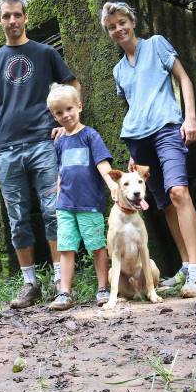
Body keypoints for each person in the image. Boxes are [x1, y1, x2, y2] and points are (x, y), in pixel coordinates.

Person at [0, 0, 82, 308]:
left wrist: (71, 124)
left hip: (43, 144)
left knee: (53, 212)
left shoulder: (45, 53)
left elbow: (72, 84)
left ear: (26, 18)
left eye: (17, 15)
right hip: (7, 150)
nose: (12, 21)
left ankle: (58, 281)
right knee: (18, 219)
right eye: (6, 16)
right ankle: (29, 283)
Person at [100, 1, 196, 298]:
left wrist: (190, 117)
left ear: (132, 22)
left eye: (122, 22)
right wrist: (134, 155)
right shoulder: (119, 70)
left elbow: (183, 79)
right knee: (163, 203)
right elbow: (134, 105)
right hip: (138, 140)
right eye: (111, 27)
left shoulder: (156, 44)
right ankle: (185, 265)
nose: (118, 29)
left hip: (168, 128)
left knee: (178, 192)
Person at [45, 83, 118, 311]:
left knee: (97, 246)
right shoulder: (60, 141)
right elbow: (60, 171)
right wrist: (57, 198)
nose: (65, 115)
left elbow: (102, 164)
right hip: (65, 205)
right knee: (66, 247)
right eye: (59, 112)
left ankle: (103, 288)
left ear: (79, 106)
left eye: (69, 109)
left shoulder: (90, 136)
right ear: (53, 115)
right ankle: (65, 292)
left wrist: (112, 186)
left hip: (89, 204)